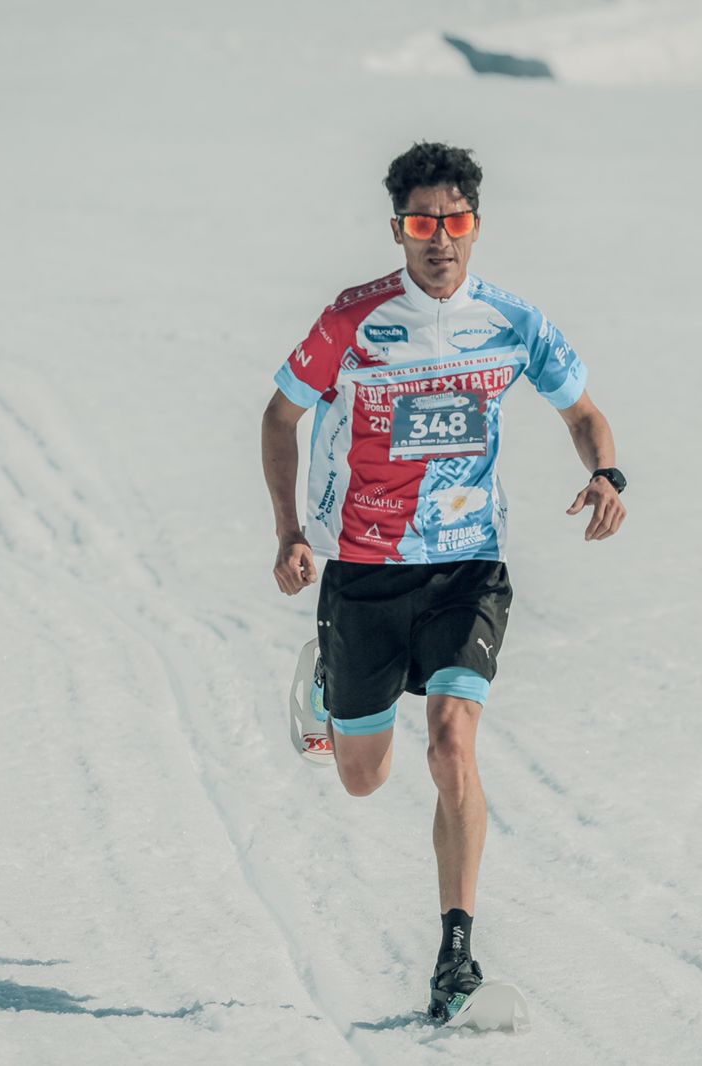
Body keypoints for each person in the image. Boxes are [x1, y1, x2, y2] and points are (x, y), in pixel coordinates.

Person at [260, 142, 627, 1022]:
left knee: (453, 744)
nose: (440, 241)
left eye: (455, 222)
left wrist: (608, 473)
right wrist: (289, 533)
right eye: (422, 224)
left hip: (469, 564)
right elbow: (280, 414)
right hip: (364, 571)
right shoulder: (352, 321)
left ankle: (454, 960)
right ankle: (325, 678)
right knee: (361, 778)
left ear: (475, 227)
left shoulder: (510, 321)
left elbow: (581, 410)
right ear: (398, 230)